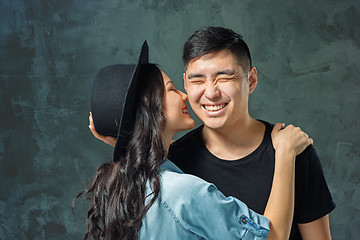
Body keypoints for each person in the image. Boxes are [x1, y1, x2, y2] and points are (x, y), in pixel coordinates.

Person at [78, 41, 312, 240]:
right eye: (171, 89)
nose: (184, 95)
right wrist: (285, 152)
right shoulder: (185, 192)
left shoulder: (123, 185)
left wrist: (123, 139)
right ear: (151, 110)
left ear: (251, 80)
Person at [167, 27, 336, 239]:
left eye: (224, 77)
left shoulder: (294, 150)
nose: (210, 93)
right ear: (185, 83)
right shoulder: (173, 161)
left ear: (251, 80)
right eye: (197, 80)